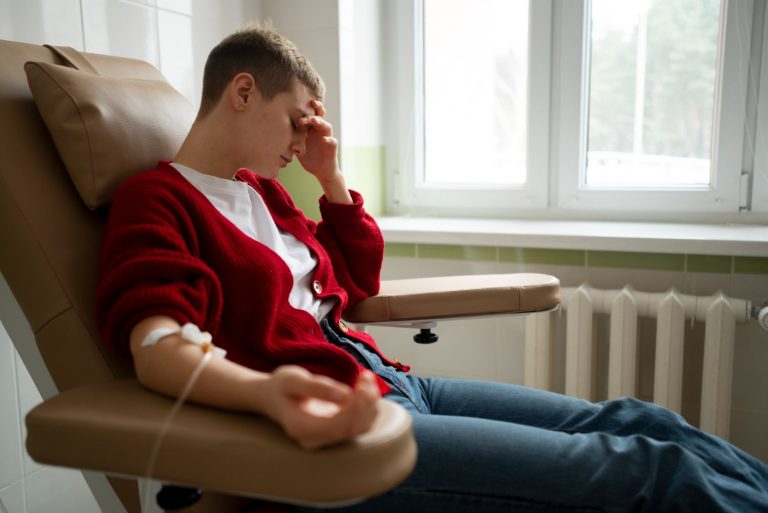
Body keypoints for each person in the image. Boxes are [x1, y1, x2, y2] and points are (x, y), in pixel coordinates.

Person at [96, 23, 768, 513]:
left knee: (641, 421)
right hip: (347, 433)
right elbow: (158, 347)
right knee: (647, 471)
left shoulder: (262, 193)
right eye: (297, 122)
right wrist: (267, 395)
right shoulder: (157, 199)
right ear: (243, 91)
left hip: (393, 382)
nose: (303, 141)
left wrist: (330, 178)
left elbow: (356, 282)